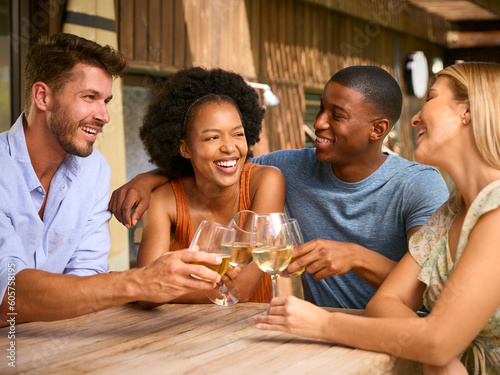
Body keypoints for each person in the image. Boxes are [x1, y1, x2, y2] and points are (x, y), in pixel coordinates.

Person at [109, 65, 449, 309]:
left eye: (337, 114)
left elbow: (434, 287)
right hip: (329, 331)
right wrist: (149, 178)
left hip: (401, 333)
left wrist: (356, 258)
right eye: (320, 109)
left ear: (378, 130)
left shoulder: (418, 184)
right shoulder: (291, 166)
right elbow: (223, 164)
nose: (318, 123)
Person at [254, 62, 500, 374]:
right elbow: (384, 303)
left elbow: (438, 340)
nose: (414, 118)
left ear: (468, 112)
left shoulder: (496, 211)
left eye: (430, 99)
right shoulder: (452, 211)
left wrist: (324, 324)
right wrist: (433, 349)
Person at [0, 33, 225, 325]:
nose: (104, 115)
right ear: (43, 97)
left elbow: (88, 277)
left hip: (54, 344)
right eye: (89, 97)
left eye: (105, 100)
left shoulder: (93, 169)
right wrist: (140, 282)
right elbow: (9, 297)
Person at [135, 67, 286, 305]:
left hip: (252, 333)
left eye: (238, 134)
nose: (229, 147)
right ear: (184, 148)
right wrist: (212, 286)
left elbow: (241, 291)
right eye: (212, 137)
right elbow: (145, 291)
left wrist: (179, 284)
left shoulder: (266, 181)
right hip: (181, 335)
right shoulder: (164, 200)